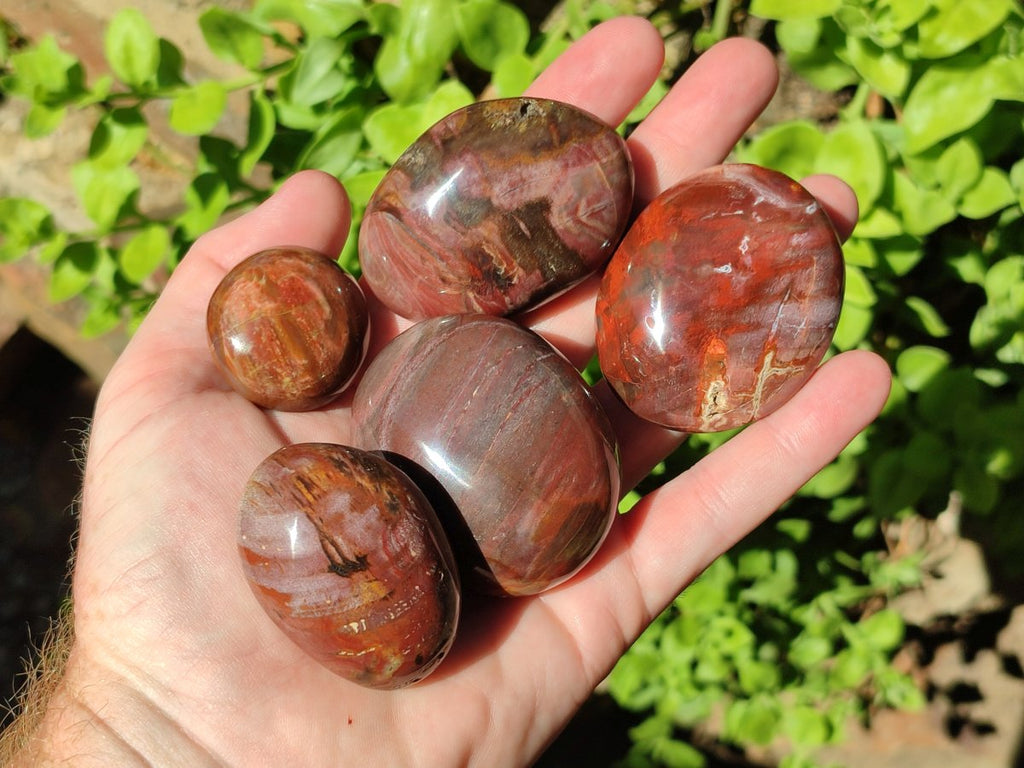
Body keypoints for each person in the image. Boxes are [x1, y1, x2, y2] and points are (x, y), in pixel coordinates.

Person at [2, 16, 889, 767]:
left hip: (484, 462)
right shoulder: (390, 381)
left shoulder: (409, 362)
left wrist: (143, 731)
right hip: (474, 469)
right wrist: (140, 726)